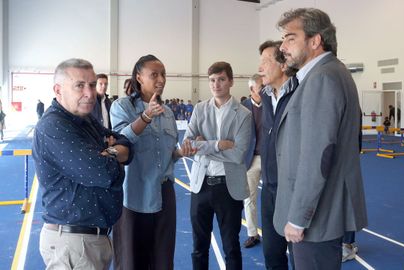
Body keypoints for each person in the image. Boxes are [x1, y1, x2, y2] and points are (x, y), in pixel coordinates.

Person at [274, 8, 368, 269]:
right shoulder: (327, 73)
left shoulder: (322, 78)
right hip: (321, 213)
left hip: (316, 218)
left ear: (315, 41)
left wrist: (298, 218)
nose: (283, 47)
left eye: (290, 38)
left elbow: (318, 154)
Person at [32, 58, 133, 270]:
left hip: (91, 240)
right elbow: (104, 173)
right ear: (58, 90)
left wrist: (108, 152)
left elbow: (126, 145)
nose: (90, 93)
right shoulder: (54, 127)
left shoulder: (83, 119)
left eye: (92, 84)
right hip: (73, 245)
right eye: (80, 85)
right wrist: (112, 157)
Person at [110, 54, 186, 270]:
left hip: (164, 194)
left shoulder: (168, 112)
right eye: (154, 74)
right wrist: (145, 117)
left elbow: (166, 154)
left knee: (163, 258)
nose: (161, 79)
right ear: (139, 77)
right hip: (134, 194)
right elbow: (121, 142)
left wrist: (180, 153)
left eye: (163, 74)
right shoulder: (121, 106)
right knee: (131, 259)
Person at [182, 61, 252, 270]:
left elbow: (239, 154)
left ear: (230, 81)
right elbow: (187, 144)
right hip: (201, 186)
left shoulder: (244, 114)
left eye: (221, 79)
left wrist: (204, 146)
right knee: (198, 246)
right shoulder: (200, 109)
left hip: (228, 188)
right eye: (212, 80)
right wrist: (220, 144)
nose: (216, 84)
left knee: (231, 247)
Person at [257, 40, 297, 270]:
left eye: (266, 61)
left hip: (292, 191)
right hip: (269, 189)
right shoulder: (265, 96)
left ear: (283, 65)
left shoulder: (300, 93)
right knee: (272, 255)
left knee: (299, 256)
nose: (260, 67)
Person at [241, 73, 263, 248]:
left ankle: (278, 233)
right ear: (251, 89)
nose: (265, 90)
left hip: (271, 159)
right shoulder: (242, 108)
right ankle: (252, 234)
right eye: (261, 87)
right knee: (249, 199)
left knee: (277, 197)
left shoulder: (272, 105)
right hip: (251, 159)